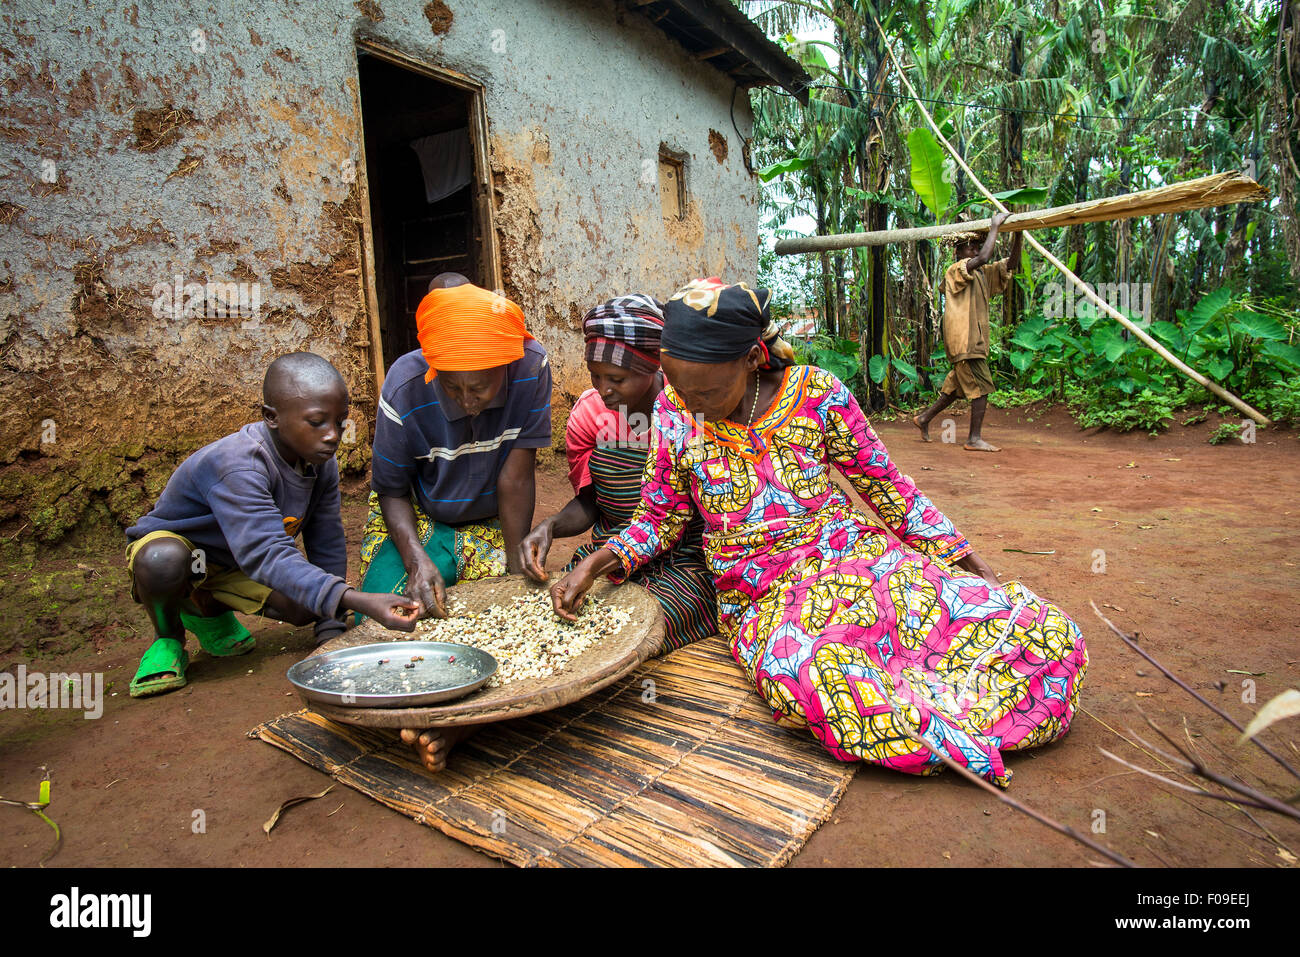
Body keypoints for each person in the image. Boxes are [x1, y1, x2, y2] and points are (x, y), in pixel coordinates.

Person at [551, 278, 1086, 786]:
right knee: (822, 677)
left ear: (752, 358)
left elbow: (890, 490)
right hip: (769, 591)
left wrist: (967, 563)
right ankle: (942, 729)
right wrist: (596, 565)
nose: (688, 403)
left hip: (860, 559)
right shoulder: (673, 410)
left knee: (1039, 632)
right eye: (680, 388)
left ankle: (952, 715)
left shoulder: (819, 395)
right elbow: (658, 519)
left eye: (705, 390)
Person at [124, 353, 420, 698]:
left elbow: (326, 539)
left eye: (340, 422)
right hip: (185, 558)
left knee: (307, 604)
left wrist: (331, 626)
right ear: (271, 417)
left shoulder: (318, 461)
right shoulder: (239, 465)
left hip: (235, 562)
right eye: (317, 422)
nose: (332, 435)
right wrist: (356, 600)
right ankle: (169, 637)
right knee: (162, 561)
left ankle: (206, 610)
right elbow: (266, 554)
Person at [364, 273, 551, 771]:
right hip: (421, 517)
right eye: (453, 386)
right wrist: (416, 557)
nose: (469, 401)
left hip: (492, 519)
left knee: (505, 629)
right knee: (388, 617)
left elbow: (516, 476)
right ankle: (414, 709)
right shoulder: (404, 387)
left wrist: (515, 566)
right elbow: (393, 489)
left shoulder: (532, 368)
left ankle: (463, 719)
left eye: (482, 386)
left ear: (508, 366)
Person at [519, 294, 716, 655]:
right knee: (562, 615)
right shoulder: (589, 415)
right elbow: (591, 503)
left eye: (617, 378)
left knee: (633, 629)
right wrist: (550, 526)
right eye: (595, 375)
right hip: (609, 547)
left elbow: (700, 511)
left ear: (653, 367)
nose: (603, 389)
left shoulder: (691, 415)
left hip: (686, 557)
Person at [914, 210, 1023, 452]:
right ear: (958, 251)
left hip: (975, 341)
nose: (974, 249)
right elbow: (983, 257)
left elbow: (1011, 264)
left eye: (977, 244)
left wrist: (1018, 233)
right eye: (969, 246)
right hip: (965, 342)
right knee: (982, 388)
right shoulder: (956, 270)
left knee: (953, 391)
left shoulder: (983, 273)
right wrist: (995, 227)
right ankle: (973, 439)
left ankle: (923, 419)